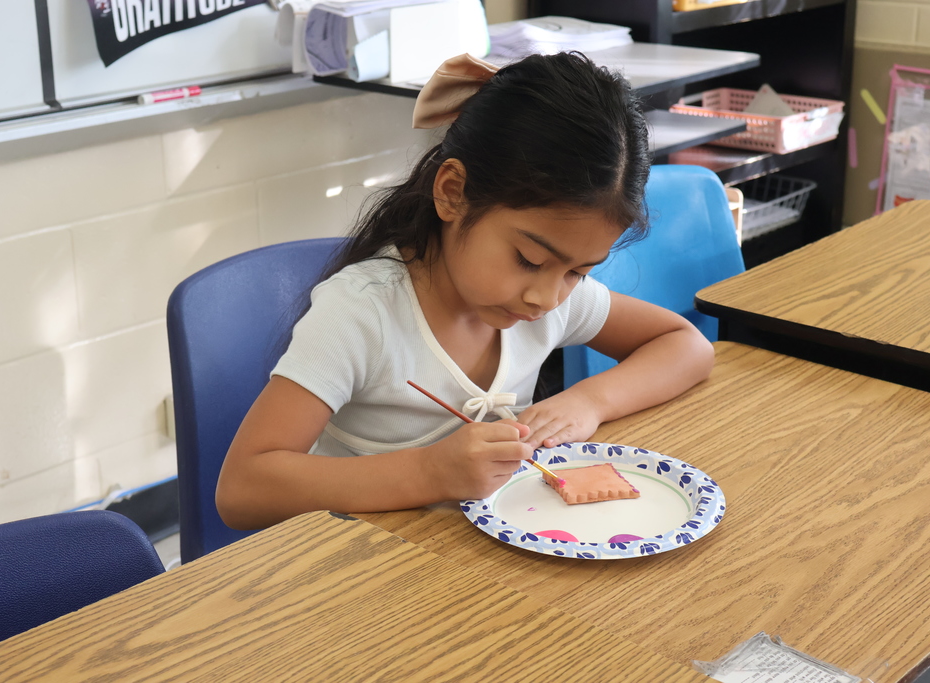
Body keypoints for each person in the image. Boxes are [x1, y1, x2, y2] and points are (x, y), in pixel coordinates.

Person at [216, 52, 715, 529]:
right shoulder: (361, 314)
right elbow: (242, 490)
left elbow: (686, 347)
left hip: (477, 568)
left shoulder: (548, 301)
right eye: (530, 260)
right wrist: (428, 473)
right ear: (452, 193)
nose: (547, 297)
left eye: (577, 272)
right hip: (360, 574)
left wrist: (589, 402)